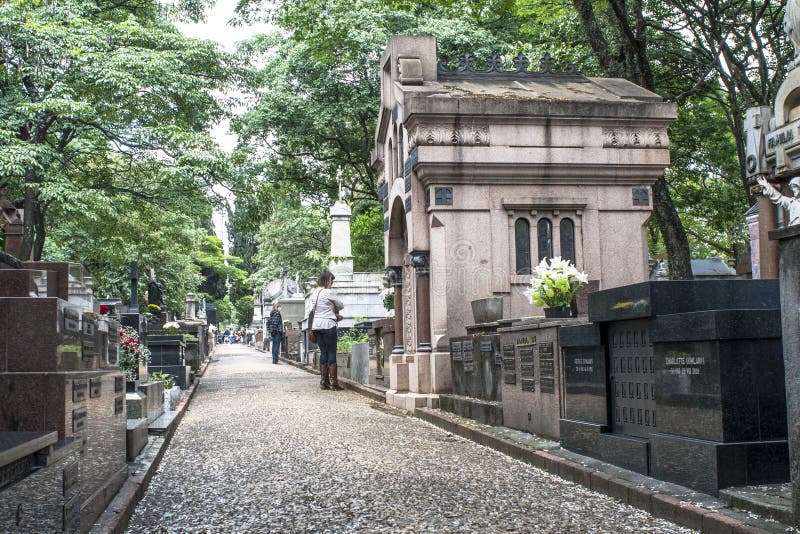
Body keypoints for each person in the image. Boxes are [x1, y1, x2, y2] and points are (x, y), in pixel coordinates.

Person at [311, 270, 344, 390]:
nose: (332, 283)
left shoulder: (315, 293)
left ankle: (323, 381)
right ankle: (334, 383)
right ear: (328, 280)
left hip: (317, 326)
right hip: (328, 325)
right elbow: (341, 305)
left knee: (323, 352)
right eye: (332, 281)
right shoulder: (329, 292)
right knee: (331, 352)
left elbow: (313, 310)